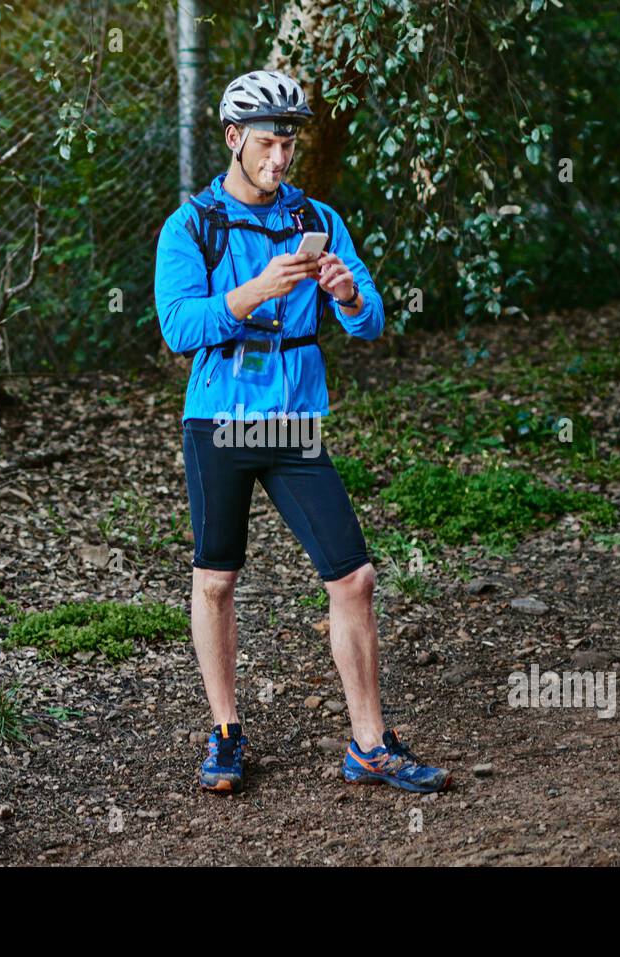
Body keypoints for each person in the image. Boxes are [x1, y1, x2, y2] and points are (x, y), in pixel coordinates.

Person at [153, 69, 451, 795]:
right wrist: (256, 293)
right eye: (265, 145)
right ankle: (225, 730)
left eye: (287, 145)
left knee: (354, 575)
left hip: (294, 424)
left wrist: (346, 294)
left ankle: (370, 745)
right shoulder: (191, 225)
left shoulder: (316, 216)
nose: (279, 160)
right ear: (233, 139)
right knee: (217, 580)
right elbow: (177, 327)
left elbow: (371, 320)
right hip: (219, 421)